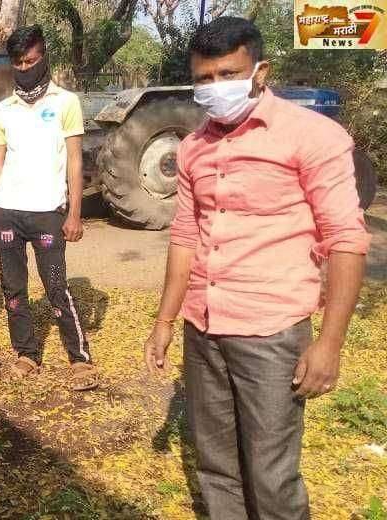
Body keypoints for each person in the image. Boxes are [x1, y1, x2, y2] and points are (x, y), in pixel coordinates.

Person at [142, 17, 369, 520]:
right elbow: (185, 236)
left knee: (271, 474)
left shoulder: (313, 136)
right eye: (204, 78)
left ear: (260, 71)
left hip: (270, 331)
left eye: (228, 74)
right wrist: (165, 321)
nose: (215, 87)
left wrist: (329, 343)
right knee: (216, 465)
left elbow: (346, 240)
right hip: (203, 327)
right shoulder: (193, 147)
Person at [0, 25, 98, 391]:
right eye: (18, 62)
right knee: (13, 289)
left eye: (31, 61)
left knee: (56, 287)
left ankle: (80, 358)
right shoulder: (3, 111)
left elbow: (75, 161)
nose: (25, 68)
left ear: (44, 58)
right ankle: (26, 353)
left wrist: (74, 213)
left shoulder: (66, 102)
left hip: (48, 212)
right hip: (7, 212)